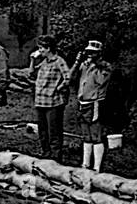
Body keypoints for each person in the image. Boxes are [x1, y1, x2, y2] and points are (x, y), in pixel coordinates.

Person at [70, 39, 113, 171]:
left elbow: (100, 81)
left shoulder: (105, 67)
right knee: (86, 135)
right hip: (83, 101)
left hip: (95, 102)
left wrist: (96, 64)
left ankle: (97, 166)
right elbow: (71, 77)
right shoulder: (84, 65)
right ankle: (85, 163)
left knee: (96, 135)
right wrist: (78, 62)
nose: (89, 55)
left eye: (93, 53)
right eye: (88, 52)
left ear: (99, 54)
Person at [29, 35, 71, 160]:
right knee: (43, 131)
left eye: (42, 48)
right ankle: (45, 154)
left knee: (54, 131)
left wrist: (58, 88)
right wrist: (32, 59)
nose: (40, 50)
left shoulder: (59, 61)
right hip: (40, 101)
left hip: (53, 102)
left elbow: (68, 78)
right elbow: (31, 73)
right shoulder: (44, 62)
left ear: (49, 48)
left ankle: (55, 157)